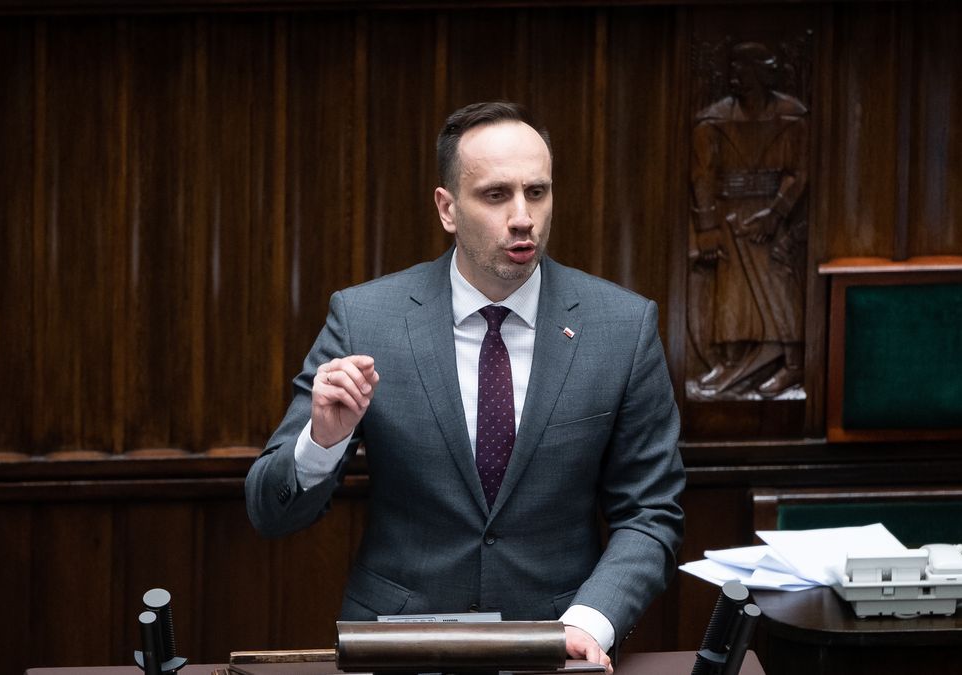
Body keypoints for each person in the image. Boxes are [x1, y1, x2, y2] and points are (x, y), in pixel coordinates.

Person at [245, 101, 685, 672]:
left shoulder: (621, 328)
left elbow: (651, 513)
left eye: (538, 191)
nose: (523, 216)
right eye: (497, 195)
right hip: (401, 646)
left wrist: (588, 621)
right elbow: (268, 510)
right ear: (447, 208)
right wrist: (322, 442)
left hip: (558, 646)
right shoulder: (365, 319)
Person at [688, 42, 808, 399]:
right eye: (733, 70)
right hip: (729, 215)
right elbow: (702, 178)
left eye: (743, 70)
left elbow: (800, 172)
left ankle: (793, 364)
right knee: (731, 290)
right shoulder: (713, 120)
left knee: (780, 284)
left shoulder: (792, 116)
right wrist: (707, 229)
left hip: (771, 219)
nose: (735, 78)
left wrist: (777, 213)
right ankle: (732, 358)